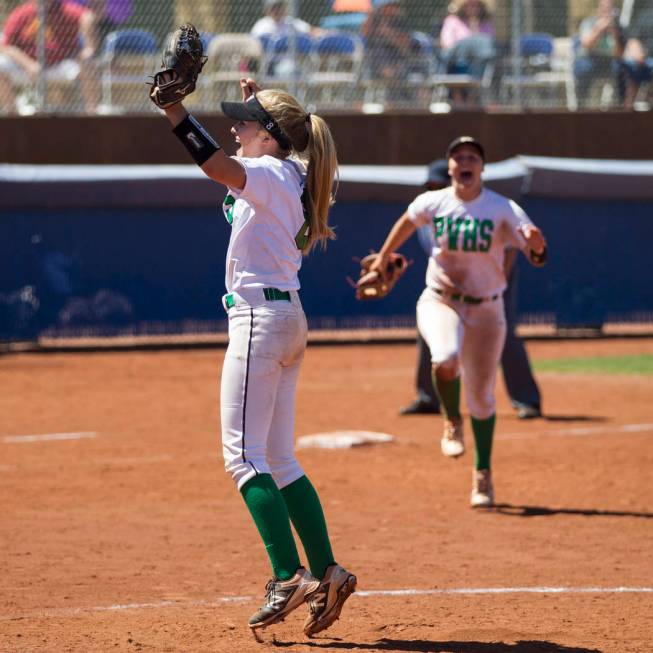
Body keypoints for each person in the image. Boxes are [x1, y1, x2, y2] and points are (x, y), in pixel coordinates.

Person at [156, 75, 356, 637]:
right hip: (286, 317)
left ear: (270, 137)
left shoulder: (267, 170)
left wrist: (175, 111)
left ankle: (286, 575)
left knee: (243, 458)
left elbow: (218, 167)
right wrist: (261, 99)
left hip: (258, 321)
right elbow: (241, 168)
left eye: (243, 123)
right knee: (280, 459)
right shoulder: (291, 170)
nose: (233, 129)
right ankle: (328, 571)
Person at [364, 136, 547, 508]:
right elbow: (407, 220)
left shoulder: (501, 208)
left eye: (472, 157)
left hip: (486, 309)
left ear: (481, 168)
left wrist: (538, 246)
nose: (465, 162)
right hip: (441, 299)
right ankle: (451, 419)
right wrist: (384, 257)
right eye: (458, 157)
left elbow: (534, 252)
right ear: (450, 168)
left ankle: (482, 474)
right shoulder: (435, 202)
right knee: (444, 359)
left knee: (482, 398)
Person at [400, 160, 542, 420]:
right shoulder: (429, 212)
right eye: (429, 186)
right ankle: (428, 396)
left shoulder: (481, 209)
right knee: (431, 331)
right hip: (450, 283)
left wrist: (500, 281)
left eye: (437, 185)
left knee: (505, 334)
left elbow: (510, 249)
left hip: (491, 278)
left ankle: (527, 400)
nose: (432, 190)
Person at [0, 0, 98, 113]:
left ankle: (92, 113)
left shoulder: (63, 9)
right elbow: (5, 46)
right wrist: (27, 64)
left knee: (87, 65)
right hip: (27, 68)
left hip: (60, 64)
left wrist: (89, 47)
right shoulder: (23, 13)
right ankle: (13, 114)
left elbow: (87, 16)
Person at [576, 0, 651, 109]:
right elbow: (586, 45)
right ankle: (581, 104)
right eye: (604, 8)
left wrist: (615, 35)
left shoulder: (618, 27)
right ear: (599, 9)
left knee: (622, 68)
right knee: (582, 68)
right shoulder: (589, 22)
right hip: (590, 59)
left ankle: (621, 105)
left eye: (609, 9)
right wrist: (599, 29)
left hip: (610, 62)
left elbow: (619, 54)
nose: (606, 12)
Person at [361, 0, 412, 84]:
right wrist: (372, 16)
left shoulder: (399, 21)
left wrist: (389, 35)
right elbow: (364, 34)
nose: (393, 8)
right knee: (378, 48)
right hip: (377, 55)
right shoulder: (375, 19)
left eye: (394, 5)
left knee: (385, 49)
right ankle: (386, 72)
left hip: (397, 55)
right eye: (389, 5)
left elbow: (405, 45)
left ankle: (390, 73)